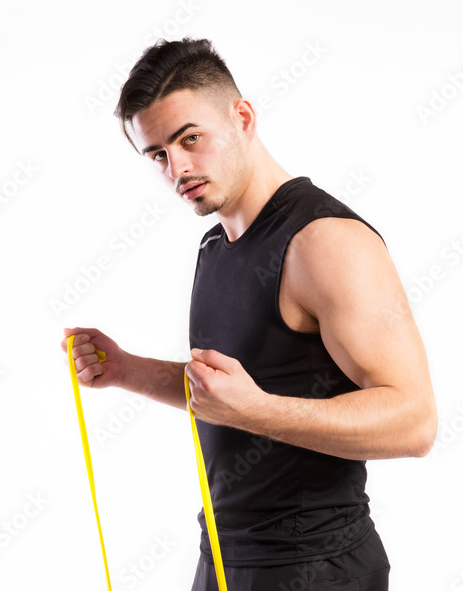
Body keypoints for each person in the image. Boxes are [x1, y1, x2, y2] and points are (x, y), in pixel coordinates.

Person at [61, 37, 436, 590]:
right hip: (223, 558)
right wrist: (126, 370)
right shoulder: (216, 246)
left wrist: (257, 412)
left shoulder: (327, 243)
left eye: (191, 139)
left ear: (242, 117)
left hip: (315, 570)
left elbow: (415, 420)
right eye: (159, 154)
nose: (177, 168)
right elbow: (229, 396)